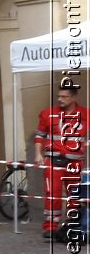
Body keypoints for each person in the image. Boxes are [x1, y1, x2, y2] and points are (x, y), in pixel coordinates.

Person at [35, 78, 85, 241]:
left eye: (64, 97)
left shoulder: (85, 114)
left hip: (74, 163)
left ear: (74, 97)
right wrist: (38, 154)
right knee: (52, 195)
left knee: (74, 195)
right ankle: (50, 226)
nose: (60, 99)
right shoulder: (48, 113)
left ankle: (72, 224)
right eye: (59, 96)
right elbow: (40, 135)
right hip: (53, 161)